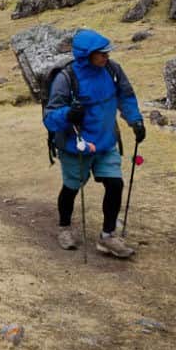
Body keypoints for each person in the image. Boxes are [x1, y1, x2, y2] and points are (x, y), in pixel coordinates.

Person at [43, 29, 145, 259]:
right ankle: (64, 227)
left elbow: (126, 96)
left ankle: (108, 237)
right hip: (75, 146)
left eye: (107, 53)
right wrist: (69, 114)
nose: (107, 56)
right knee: (72, 187)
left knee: (115, 184)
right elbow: (49, 118)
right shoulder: (65, 79)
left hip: (106, 141)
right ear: (86, 55)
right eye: (102, 53)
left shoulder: (112, 70)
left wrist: (135, 121)